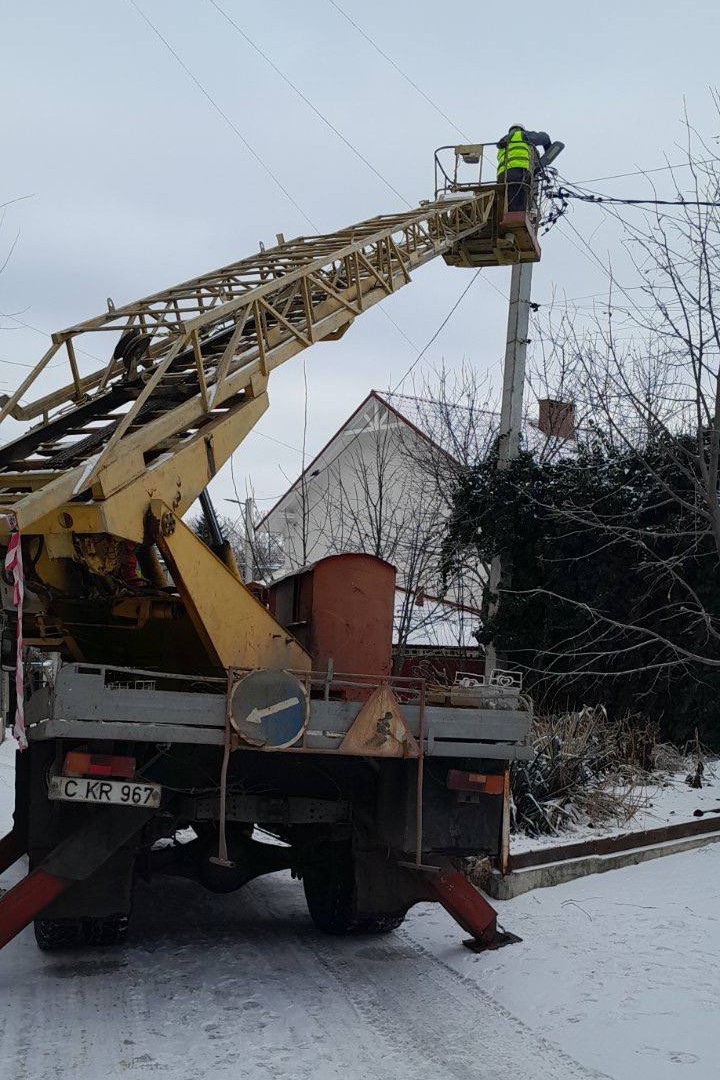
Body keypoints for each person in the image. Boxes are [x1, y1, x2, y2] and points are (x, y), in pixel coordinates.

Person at [496, 125, 551, 213]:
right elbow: (544, 137)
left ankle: (509, 215)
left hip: (502, 177)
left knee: (508, 201)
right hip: (518, 172)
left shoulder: (502, 143)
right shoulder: (521, 135)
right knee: (520, 202)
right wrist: (549, 151)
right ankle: (518, 215)